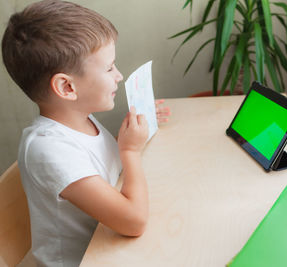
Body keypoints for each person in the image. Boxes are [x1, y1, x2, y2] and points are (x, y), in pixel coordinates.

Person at [1, 1, 170, 266]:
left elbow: (95, 165)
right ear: (67, 87)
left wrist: (132, 134)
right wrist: (129, 150)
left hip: (105, 246)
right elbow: (134, 221)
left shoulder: (79, 119)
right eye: (109, 68)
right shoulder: (47, 150)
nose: (119, 75)